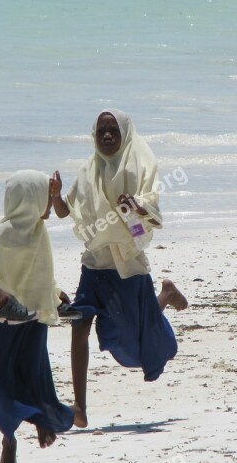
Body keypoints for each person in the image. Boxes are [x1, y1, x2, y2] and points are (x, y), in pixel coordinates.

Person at [51, 109, 188, 428]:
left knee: (137, 347)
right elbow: (64, 211)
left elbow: (149, 222)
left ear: (125, 134)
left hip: (129, 267)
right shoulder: (87, 170)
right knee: (79, 326)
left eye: (113, 130)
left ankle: (164, 296)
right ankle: (80, 407)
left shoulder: (138, 167)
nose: (107, 136)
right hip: (94, 264)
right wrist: (56, 196)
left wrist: (137, 208)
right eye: (102, 131)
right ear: (94, 136)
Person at [0, 170, 74, 463]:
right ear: (30, 200)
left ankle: (37, 420)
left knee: (34, 376)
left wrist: (56, 293)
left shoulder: (39, 232)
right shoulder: (7, 232)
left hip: (35, 318)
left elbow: (39, 274)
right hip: (9, 321)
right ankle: (10, 440)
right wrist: (0, 295)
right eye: (46, 200)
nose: (49, 208)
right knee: (6, 381)